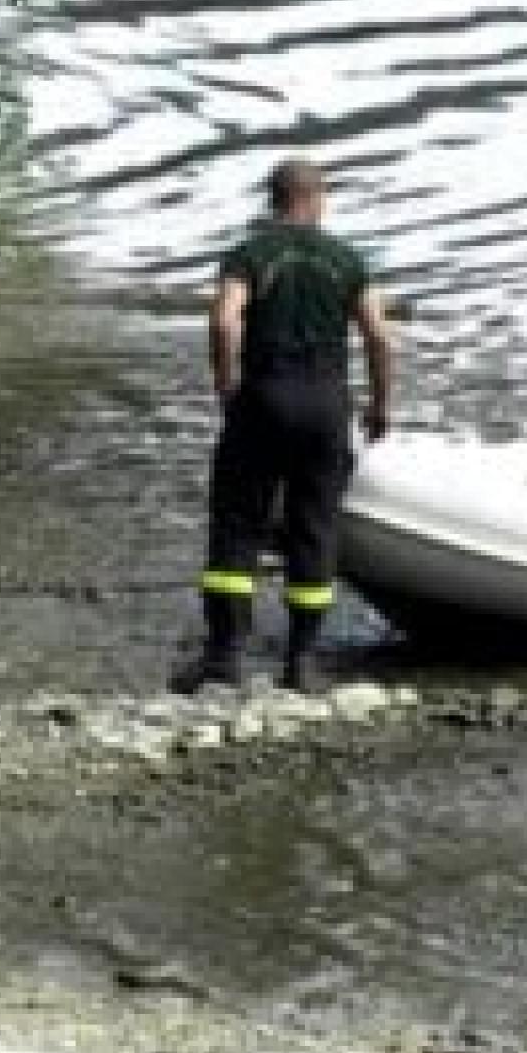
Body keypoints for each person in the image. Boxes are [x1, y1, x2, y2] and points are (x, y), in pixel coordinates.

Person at [173, 158, 394, 693]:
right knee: (314, 530)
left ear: (272, 200)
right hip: (325, 409)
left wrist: (227, 385)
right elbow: (381, 339)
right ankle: (300, 663)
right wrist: (381, 405)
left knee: (237, 525)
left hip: (263, 402)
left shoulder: (251, 254)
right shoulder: (347, 260)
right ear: (319, 198)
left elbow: (225, 320)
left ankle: (224, 658)